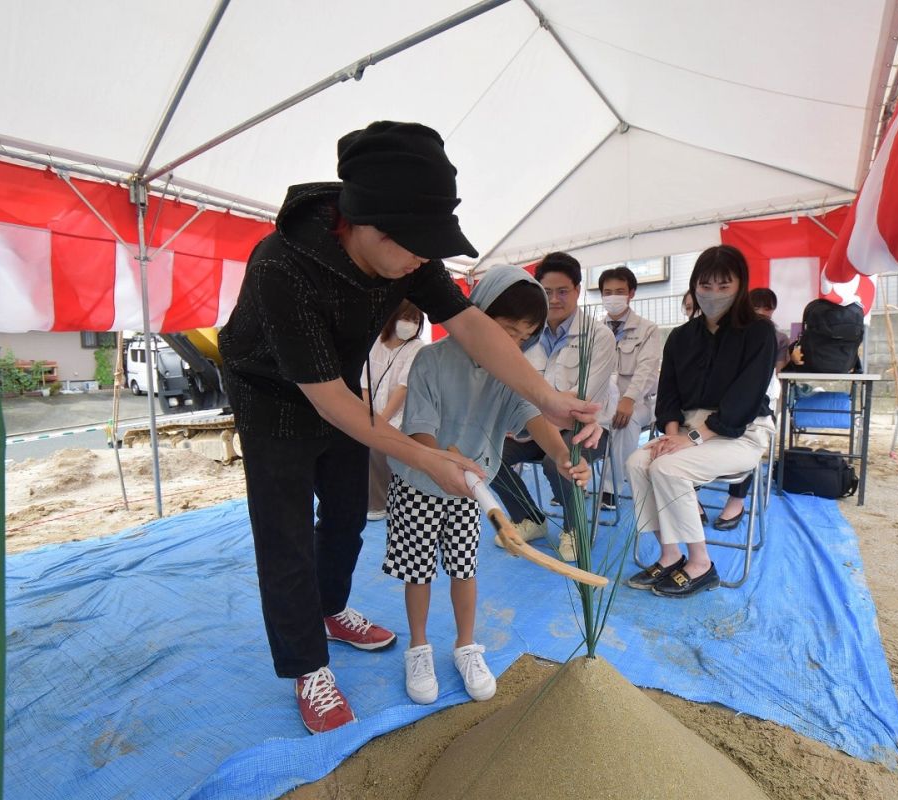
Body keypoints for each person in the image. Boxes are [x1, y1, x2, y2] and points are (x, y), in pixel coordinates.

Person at [218, 121, 600, 735]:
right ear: (364, 224)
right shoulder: (282, 267)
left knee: (344, 512)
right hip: (273, 399)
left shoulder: (406, 253)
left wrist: (548, 396)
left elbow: (472, 325)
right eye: (417, 246)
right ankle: (306, 665)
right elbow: (331, 404)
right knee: (284, 530)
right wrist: (427, 459)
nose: (425, 260)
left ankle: (332, 607)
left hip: (340, 386)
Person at [384, 266, 594, 705]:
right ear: (474, 315)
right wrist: (443, 459)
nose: (512, 346)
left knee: (465, 568)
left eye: (523, 337)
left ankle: (466, 645)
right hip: (419, 483)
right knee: (417, 571)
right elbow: (420, 430)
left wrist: (559, 454)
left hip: (469, 488)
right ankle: (418, 647)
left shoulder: (510, 370)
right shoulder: (432, 360)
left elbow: (531, 415)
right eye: (504, 332)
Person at [624, 245, 777, 598]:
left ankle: (701, 564)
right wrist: (672, 434)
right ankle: (670, 554)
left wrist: (690, 439)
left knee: (668, 469)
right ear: (694, 286)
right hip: (688, 430)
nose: (713, 295)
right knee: (637, 462)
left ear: (741, 286)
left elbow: (745, 400)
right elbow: (669, 396)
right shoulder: (680, 337)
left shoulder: (759, 333)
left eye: (724, 287)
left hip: (741, 433)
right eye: (705, 286)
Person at [489, 252, 616, 562]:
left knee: (555, 461)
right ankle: (530, 517)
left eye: (563, 291)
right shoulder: (528, 331)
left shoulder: (598, 336)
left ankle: (575, 528)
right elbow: (511, 385)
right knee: (488, 454)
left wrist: (528, 419)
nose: (555, 300)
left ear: (578, 290)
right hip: (528, 428)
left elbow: (582, 399)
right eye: (547, 292)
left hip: (584, 431)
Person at [713, 287, 788, 530]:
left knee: (747, 437)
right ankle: (691, 497)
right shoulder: (730, 334)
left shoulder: (778, 338)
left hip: (760, 401)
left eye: (766, 307)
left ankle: (737, 499)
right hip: (725, 399)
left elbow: (774, 373)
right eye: (756, 306)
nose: (761, 311)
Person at [597, 266, 660, 510]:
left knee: (625, 419)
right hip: (602, 401)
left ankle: (611, 488)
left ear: (631, 293)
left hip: (640, 403)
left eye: (619, 291)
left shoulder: (647, 329)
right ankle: (566, 482)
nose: (613, 297)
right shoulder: (594, 331)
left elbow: (646, 369)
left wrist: (629, 399)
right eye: (607, 292)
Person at [362, 300, 425, 521]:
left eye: (416, 321)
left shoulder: (417, 348)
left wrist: (379, 421)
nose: (411, 325)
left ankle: (379, 503)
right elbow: (365, 384)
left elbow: (403, 388)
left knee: (376, 445)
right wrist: (366, 415)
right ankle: (371, 499)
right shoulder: (375, 343)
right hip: (372, 413)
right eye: (406, 318)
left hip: (401, 417)